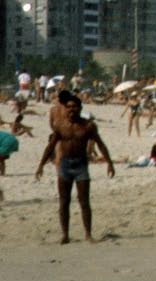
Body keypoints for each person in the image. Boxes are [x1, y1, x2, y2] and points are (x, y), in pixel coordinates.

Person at [35, 95, 115, 244]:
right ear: (65, 109)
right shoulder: (60, 125)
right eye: (69, 107)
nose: (71, 109)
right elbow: (50, 146)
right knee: (64, 201)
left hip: (81, 165)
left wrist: (110, 163)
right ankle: (65, 234)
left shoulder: (88, 126)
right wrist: (41, 165)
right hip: (65, 165)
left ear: (80, 108)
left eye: (74, 107)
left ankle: (88, 234)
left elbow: (100, 144)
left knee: (84, 201)